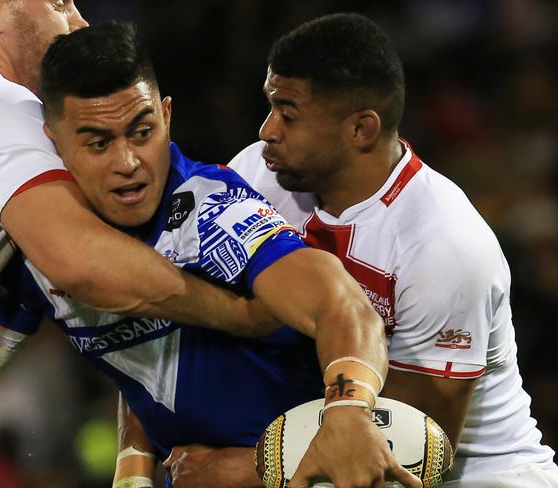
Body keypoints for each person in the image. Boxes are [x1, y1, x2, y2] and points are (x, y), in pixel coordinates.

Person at [0, 21, 420, 488]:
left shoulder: (211, 209)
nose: (129, 163)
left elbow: (341, 304)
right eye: (98, 143)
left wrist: (350, 408)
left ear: (167, 115)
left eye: (142, 131)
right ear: (53, 141)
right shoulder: (45, 245)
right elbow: (0, 339)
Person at [227, 12, 558, 488]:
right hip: (330, 439)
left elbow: (421, 444)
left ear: (360, 129)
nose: (266, 131)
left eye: (288, 113)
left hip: (474, 473)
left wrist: (243, 470)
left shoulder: (445, 245)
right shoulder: (261, 174)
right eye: (270, 106)